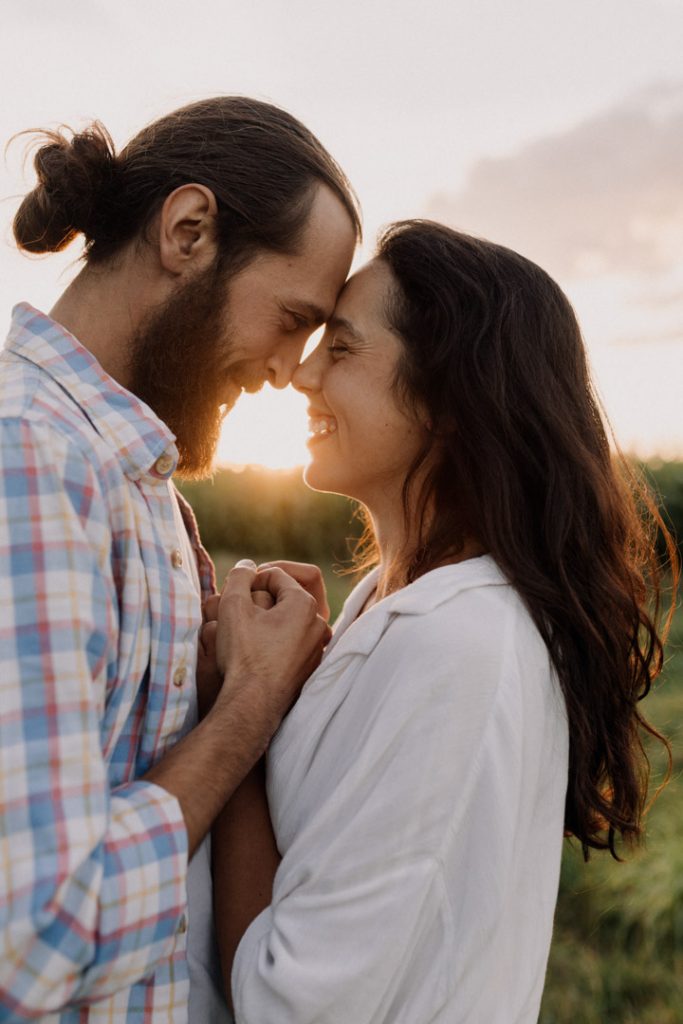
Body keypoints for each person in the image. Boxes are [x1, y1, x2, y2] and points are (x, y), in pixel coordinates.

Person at [210, 221, 678, 1023]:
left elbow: (286, 1005)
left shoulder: (460, 645)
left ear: (450, 402)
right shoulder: (393, 607)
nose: (304, 371)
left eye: (344, 349)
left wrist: (244, 708)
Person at [0, 97, 360, 1022]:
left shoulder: (142, 487)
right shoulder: (28, 462)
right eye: (290, 317)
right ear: (188, 231)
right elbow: (40, 938)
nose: (288, 370)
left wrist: (213, 674)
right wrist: (250, 704)